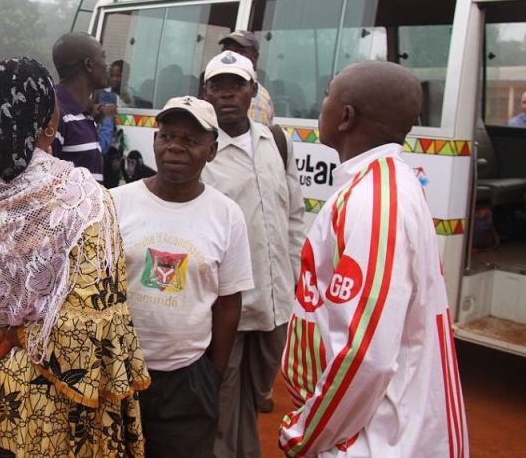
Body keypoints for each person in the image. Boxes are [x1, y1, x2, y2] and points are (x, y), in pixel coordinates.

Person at [0, 57, 150, 457]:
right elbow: (96, 316)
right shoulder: (82, 198)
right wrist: (17, 335)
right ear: (50, 124)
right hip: (52, 397)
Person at [280, 61, 469, 456]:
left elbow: (367, 353)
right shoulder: (377, 186)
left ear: (346, 116)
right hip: (366, 428)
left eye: (329, 94)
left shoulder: (374, 201)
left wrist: (307, 434)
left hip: (372, 437)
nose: (323, 104)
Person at [112, 96, 253, 457]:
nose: (174, 147)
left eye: (190, 141)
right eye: (167, 136)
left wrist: (212, 376)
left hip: (187, 382)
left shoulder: (227, 215)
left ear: (212, 150)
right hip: (116, 373)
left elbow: (228, 302)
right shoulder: (114, 203)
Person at [197, 51, 305, 458]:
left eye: (236, 86)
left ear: (253, 91)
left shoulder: (277, 142)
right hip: (229, 306)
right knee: (223, 398)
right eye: (217, 86)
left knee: (255, 394)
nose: (227, 95)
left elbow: (294, 215)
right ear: (206, 92)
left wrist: (294, 277)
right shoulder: (204, 149)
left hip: (277, 302)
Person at [51, 32, 108, 182]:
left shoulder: (84, 113)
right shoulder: (55, 113)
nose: (106, 64)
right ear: (89, 64)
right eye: (103, 57)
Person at [216, 31, 276, 127]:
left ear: (255, 57)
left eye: (241, 52)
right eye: (227, 51)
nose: (232, 56)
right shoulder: (220, 90)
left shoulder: (253, 99)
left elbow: (250, 141)